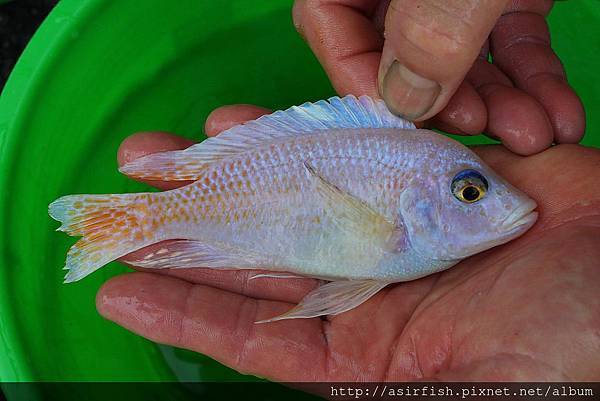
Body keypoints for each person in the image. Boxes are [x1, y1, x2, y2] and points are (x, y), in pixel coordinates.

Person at [95, 0, 599, 381]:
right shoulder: (414, 173)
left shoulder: (423, 166)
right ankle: (137, 221)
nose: (502, 205)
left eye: (472, 193)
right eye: (470, 192)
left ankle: (135, 223)